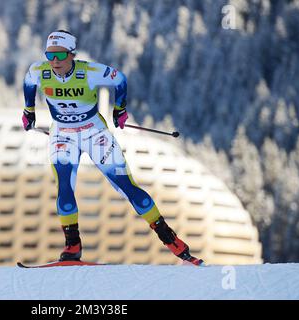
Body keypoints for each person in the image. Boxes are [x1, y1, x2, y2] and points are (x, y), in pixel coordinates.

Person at [22, 30, 204, 266]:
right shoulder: (40, 71)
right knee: (64, 188)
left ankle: (171, 240)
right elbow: (28, 82)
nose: (54, 61)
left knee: (127, 186)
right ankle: (72, 246)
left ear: (71, 54)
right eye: (50, 55)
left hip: (94, 132)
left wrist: (120, 109)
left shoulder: (90, 72)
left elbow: (120, 79)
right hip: (63, 134)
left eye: (60, 55)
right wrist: (29, 111)